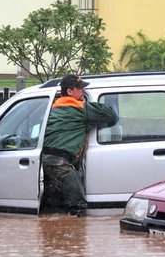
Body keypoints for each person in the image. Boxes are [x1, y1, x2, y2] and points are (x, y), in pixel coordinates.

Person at [41, 74, 118, 217]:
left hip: (44, 161)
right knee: (78, 207)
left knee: (51, 207)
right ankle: (75, 235)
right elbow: (111, 115)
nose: (82, 92)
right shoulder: (80, 108)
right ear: (70, 91)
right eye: (80, 88)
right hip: (59, 164)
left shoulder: (51, 108)